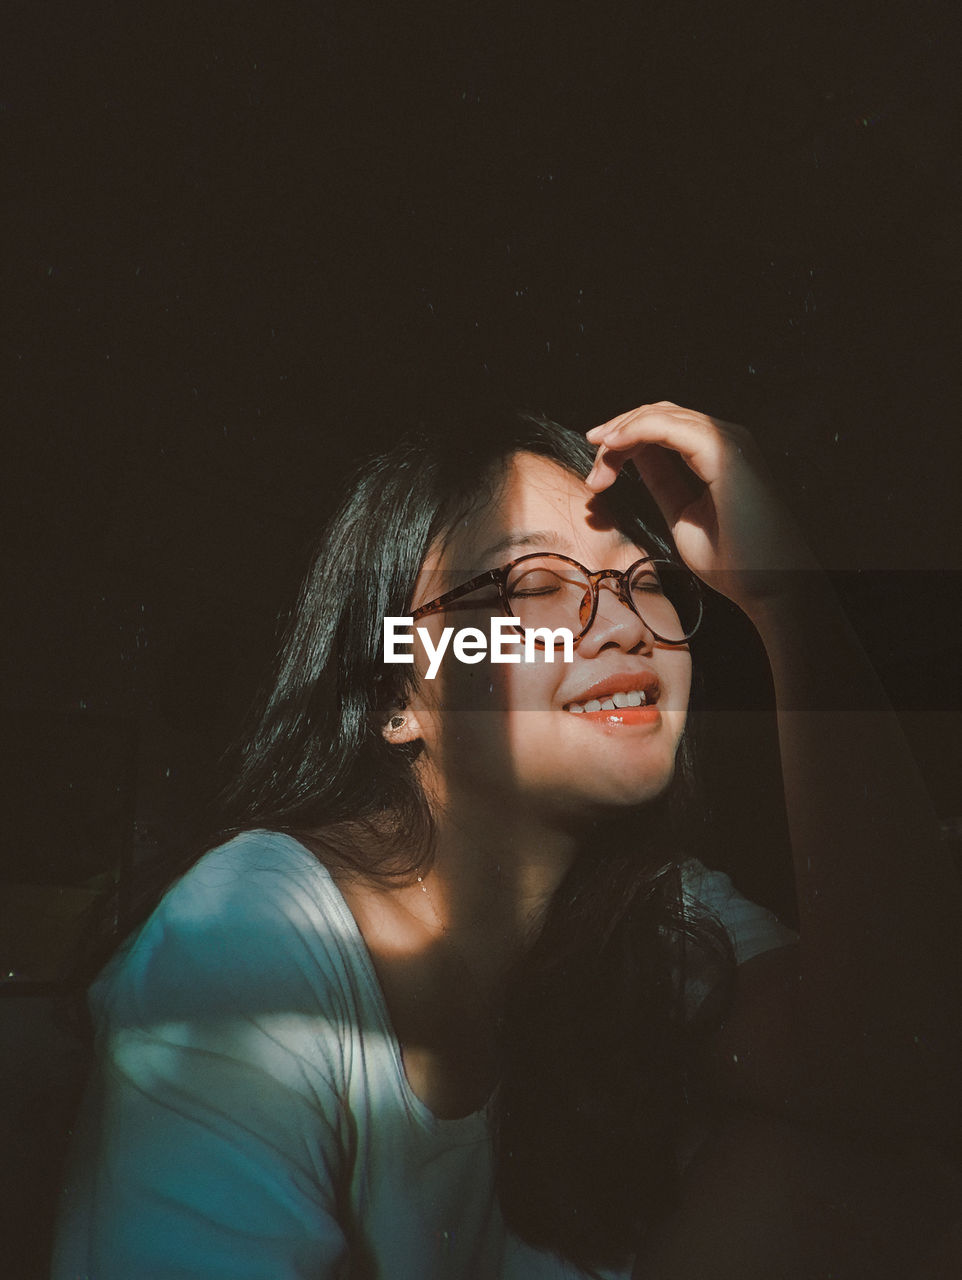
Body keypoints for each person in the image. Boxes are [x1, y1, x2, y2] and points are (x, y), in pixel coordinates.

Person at [53, 402, 961, 1278]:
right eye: (533, 587)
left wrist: (787, 607)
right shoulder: (250, 932)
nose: (623, 625)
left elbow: (899, 1065)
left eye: (646, 581)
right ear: (392, 700)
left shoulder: (659, 915)